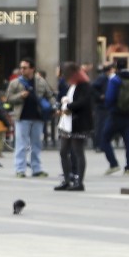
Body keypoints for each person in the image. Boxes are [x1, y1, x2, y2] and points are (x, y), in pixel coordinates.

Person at [97, 57, 129, 175]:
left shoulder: (115, 80)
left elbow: (109, 98)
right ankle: (128, 168)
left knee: (105, 139)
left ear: (116, 67)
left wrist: (110, 107)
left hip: (115, 115)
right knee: (128, 143)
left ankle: (113, 164)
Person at [54, 63, 95, 192]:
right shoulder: (72, 85)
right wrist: (63, 102)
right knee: (63, 151)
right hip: (67, 122)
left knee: (78, 151)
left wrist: (68, 106)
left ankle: (79, 182)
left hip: (78, 123)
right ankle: (67, 180)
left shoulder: (85, 86)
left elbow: (83, 102)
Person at [6, 59, 48, 178]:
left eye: (25, 67)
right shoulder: (15, 82)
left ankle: (37, 169)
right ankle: (20, 169)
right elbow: (8, 98)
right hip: (22, 117)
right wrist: (20, 95)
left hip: (37, 117)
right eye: (21, 67)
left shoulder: (40, 81)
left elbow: (49, 95)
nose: (22, 70)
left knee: (36, 144)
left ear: (32, 69)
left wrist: (53, 106)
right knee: (21, 144)